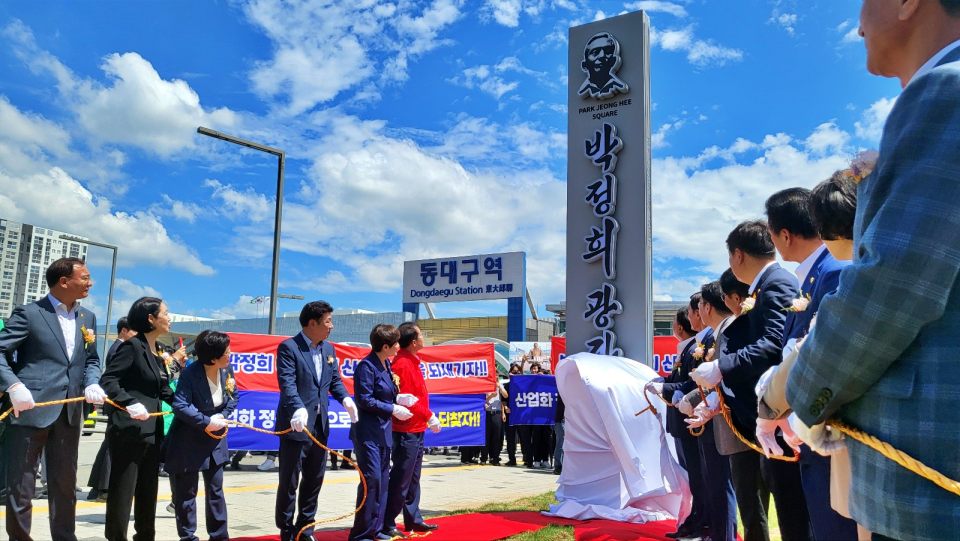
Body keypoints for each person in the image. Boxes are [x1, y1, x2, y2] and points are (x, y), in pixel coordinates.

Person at [788, 5, 960, 536]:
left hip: (931, 481)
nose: (859, 25)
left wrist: (802, 394)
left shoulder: (944, 91)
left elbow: (892, 286)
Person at [690, 220, 810, 540]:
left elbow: (774, 344)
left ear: (738, 255)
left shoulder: (775, 282)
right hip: (768, 412)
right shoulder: (765, 286)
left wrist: (722, 366)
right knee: (785, 505)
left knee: (793, 510)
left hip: (780, 412)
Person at [759, 187, 856, 540]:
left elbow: (828, 357)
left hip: (828, 435)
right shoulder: (812, 276)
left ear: (785, 235)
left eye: (772, 233)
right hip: (809, 431)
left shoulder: (834, 272)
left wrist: (791, 413)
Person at [0, 257, 105, 541]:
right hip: (30, 408)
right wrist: (14, 386)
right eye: (85, 278)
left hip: (69, 411)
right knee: (21, 484)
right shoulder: (30, 313)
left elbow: (91, 359)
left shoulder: (88, 318)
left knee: (65, 484)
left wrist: (92, 382)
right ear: (64, 281)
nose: (90, 283)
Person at [275, 301, 359, 541]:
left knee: (314, 479)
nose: (331, 326)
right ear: (312, 323)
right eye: (328, 322)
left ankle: (306, 528)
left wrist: (346, 399)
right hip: (296, 425)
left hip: (320, 425)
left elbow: (335, 381)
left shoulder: (328, 349)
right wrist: (297, 408)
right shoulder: (289, 347)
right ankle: (286, 529)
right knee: (290, 481)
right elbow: (287, 383)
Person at [100, 296, 176, 541]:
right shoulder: (132, 346)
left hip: (152, 431)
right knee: (123, 492)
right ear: (151, 319)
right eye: (166, 313)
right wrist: (129, 402)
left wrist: (192, 409)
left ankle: (145, 536)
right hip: (129, 430)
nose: (170, 317)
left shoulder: (157, 350)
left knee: (148, 490)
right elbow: (108, 381)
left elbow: (163, 390)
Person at [164, 330, 238, 541]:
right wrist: (206, 422)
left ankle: (219, 536)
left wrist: (222, 416)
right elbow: (180, 405)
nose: (230, 354)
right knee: (187, 493)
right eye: (226, 352)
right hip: (189, 438)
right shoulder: (190, 373)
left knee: (216, 490)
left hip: (216, 439)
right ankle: (188, 536)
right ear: (213, 357)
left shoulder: (226, 369)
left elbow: (234, 397)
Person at [650, 300, 711, 540]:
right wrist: (664, 383)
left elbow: (692, 382)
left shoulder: (697, 346)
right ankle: (696, 518)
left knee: (698, 476)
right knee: (692, 477)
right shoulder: (688, 348)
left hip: (691, 421)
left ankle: (701, 522)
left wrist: (665, 388)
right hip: (682, 421)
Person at [348, 324, 411, 541]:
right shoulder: (366, 367)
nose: (398, 347)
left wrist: (398, 398)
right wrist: (392, 408)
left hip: (384, 432)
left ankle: (377, 528)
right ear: (385, 346)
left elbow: (386, 392)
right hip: (367, 434)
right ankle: (362, 533)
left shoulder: (386, 364)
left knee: (383, 481)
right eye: (395, 344)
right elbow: (365, 399)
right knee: (372, 480)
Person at [382, 322, 440, 536]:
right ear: (414, 342)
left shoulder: (412, 361)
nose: (424, 338)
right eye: (421, 335)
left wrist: (426, 418)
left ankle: (413, 518)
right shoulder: (403, 364)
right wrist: (429, 415)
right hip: (406, 429)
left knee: (413, 478)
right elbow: (408, 400)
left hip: (416, 427)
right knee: (401, 478)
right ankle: (388, 522)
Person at [87, 317, 138, 503]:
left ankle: (98, 487)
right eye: (134, 331)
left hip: (117, 403)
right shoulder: (120, 348)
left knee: (109, 444)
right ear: (124, 330)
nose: (136, 335)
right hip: (119, 403)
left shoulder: (118, 347)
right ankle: (105, 488)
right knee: (113, 445)